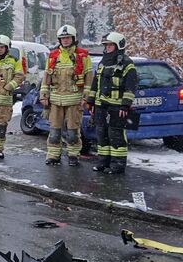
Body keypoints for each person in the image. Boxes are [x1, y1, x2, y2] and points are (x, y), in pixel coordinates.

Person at [40, 25, 93, 166]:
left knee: (73, 132)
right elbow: (46, 78)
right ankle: (53, 155)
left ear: (73, 39)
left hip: (74, 101)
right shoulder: (53, 56)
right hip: (55, 101)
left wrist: (86, 98)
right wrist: (43, 96)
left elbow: (89, 79)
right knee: (54, 132)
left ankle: (73, 155)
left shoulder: (83, 56)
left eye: (68, 38)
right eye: (62, 38)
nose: (65, 40)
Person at [86, 32, 137, 174]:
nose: (107, 48)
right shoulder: (103, 63)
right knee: (101, 135)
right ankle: (103, 163)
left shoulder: (127, 64)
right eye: (106, 45)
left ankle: (117, 165)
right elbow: (95, 83)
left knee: (116, 136)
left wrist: (125, 105)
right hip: (101, 106)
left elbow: (130, 87)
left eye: (110, 45)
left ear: (118, 46)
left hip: (117, 107)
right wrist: (91, 101)